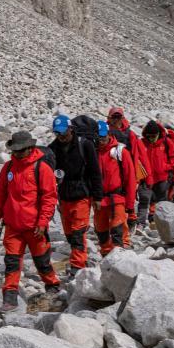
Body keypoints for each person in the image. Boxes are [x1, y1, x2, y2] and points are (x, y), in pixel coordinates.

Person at [0, 130, 61, 312]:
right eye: (14, 151)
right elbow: (1, 194)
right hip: (12, 226)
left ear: (30, 148)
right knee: (12, 262)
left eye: (20, 150)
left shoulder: (42, 168)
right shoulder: (8, 168)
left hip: (35, 227)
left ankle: (53, 285)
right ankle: (10, 298)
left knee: (42, 260)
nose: (17, 154)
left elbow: (49, 198)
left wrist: (42, 222)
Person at [47, 115, 103, 276]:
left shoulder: (84, 145)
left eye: (63, 132)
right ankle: (79, 259)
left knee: (78, 232)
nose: (61, 136)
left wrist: (98, 197)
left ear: (71, 129)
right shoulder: (53, 148)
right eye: (57, 133)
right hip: (64, 195)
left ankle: (77, 267)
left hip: (82, 194)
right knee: (70, 234)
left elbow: (95, 172)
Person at [93, 121, 137, 255]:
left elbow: (130, 179)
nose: (101, 140)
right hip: (99, 199)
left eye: (103, 137)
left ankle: (121, 254)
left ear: (109, 134)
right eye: (98, 137)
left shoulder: (120, 151)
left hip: (117, 197)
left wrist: (130, 205)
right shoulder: (93, 152)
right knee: (101, 231)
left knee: (118, 229)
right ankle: (106, 255)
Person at [106, 107, 151, 232]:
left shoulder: (131, 135)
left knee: (128, 196)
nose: (116, 120)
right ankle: (117, 225)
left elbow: (142, 156)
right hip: (110, 171)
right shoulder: (104, 132)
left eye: (118, 117)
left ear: (122, 118)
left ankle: (129, 221)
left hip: (128, 169)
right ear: (109, 118)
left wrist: (148, 178)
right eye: (114, 117)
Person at [141, 120, 174, 222]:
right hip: (148, 177)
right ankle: (152, 218)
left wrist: (165, 167)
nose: (151, 139)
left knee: (161, 198)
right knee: (150, 198)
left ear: (158, 134)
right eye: (149, 136)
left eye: (154, 136)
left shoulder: (166, 142)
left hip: (162, 176)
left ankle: (161, 219)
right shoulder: (142, 143)